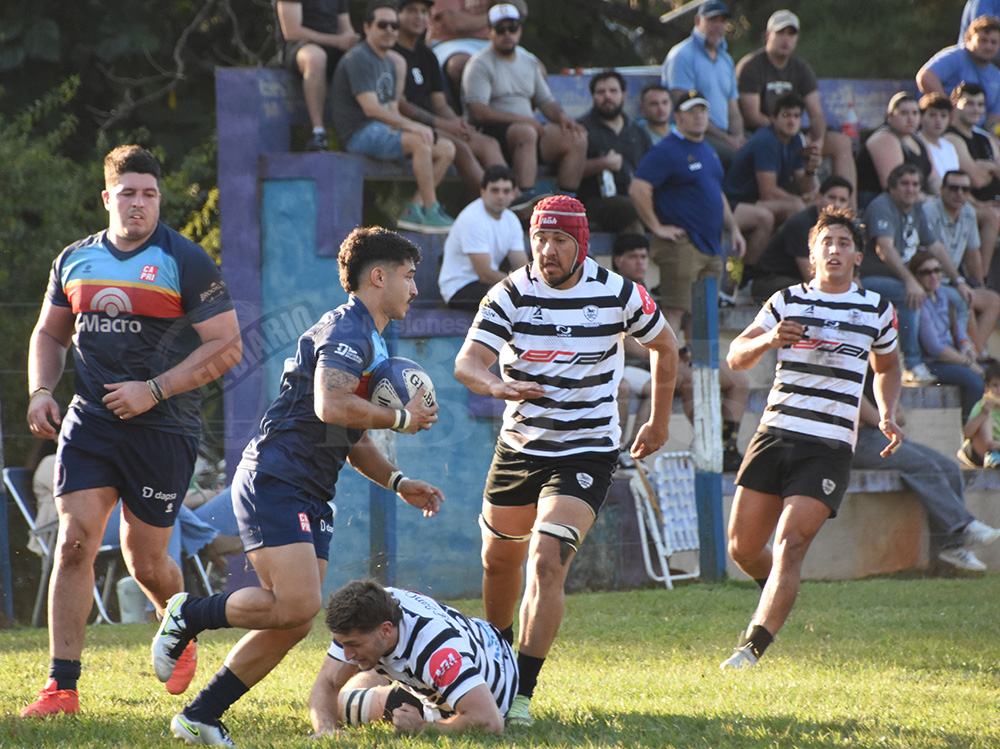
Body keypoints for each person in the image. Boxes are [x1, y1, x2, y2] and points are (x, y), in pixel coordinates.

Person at [152, 227, 444, 746]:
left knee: (293, 620)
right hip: (277, 477)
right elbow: (330, 405)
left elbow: (350, 436)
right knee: (298, 604)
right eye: (409, 276)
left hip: (308, 488)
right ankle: (188, 612)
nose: (415, 288)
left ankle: (201, 716)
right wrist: (401, 418)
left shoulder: (371, 339)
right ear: (379, 277)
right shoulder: (349, 329)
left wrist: (399, 482)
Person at [21, 145, 241, 717]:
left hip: (163, 428)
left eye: (149, 194)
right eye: (128, 194)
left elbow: (228, 345)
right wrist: (41, 390)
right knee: (74, 543)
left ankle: (179, 625)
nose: (139, 204)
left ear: (159, 199)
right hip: (91, 422)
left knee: (144, 561)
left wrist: (155, 389)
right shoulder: (75, 260)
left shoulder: (186, 260)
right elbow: (49, 334)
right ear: (107, 198)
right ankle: (61, 687)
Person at [453, 195, 678, 724]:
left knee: (547, 560)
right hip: (520, 448)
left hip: (587, 450)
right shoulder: (510, 292)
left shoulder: (619, 292)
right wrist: (495, 384)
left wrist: (659, 421)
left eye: (559, 240)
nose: (547, 251)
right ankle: (499, 658)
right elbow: (468, 362)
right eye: (539, 238)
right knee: (498, 560)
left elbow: (666, 347)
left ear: (582, 244)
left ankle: (522, 694)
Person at [722, 207, 903, 669]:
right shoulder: (786, 301)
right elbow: (736, 356)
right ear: (812, 252)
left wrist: (886, 412)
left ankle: (752, 648)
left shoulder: (877, 309)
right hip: (776, 433)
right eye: (827, 242)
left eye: (844, 243)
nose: (835, 250)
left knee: (790, 543)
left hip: (828, 446)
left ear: (858, 256)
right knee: (742, 548)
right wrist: (768, 341)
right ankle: (780, 591)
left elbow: (887, 366)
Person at [611, 234, 748, 472]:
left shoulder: (651, 291)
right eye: (633, 257)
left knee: (736, 379)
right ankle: (631, 450)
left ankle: (724, 445)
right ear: (617, 260)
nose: (640, 262)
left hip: (656, 363)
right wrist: (667, 354)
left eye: (643, 256)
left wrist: (683, 352)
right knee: (670, 383)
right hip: (624, 365)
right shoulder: (612, 292)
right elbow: (625, 343)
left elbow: (676, 330)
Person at [308, 579, 517, 736]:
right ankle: (379, 676)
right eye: (342, 644)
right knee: (335, 701)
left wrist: (421, 728)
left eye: (354, 645)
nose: (347, 655)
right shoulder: (374, 609)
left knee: (347, 705)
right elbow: (326, 682)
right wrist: (326, 730)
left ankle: (382, 683)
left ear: (386, 629)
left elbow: (489, 721)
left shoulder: (435, 651)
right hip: (472, 643)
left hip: (492, 681)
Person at [330, 1, 456, 233]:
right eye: (382, 25)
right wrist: (414, 127)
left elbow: (392, 109)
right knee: (419, 141)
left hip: (382, 130)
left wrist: (407, 127)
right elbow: (371, 109)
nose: (389, 30)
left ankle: (413, 209)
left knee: (446, 148)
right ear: (367, 27)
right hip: (358, 133)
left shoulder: (390, 61)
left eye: (394, 26)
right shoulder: (358, 58)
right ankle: (431, 209)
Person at [630, 90, 747, 339]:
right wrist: (656, 227)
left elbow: (715, 193)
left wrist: (734, 228)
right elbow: (638, 188)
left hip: (712, 245)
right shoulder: (666, 150)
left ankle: (699, 366)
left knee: (704, 316)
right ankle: (666, 364)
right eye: (691, 111)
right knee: (674, 310)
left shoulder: (709, 150)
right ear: (677, 116)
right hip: (682, 244)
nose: (698, 116)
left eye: (703, 110)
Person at [854, 390, 1000, 571]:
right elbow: (870, 413)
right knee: (923, 467)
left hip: (885, 435)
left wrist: (880, 419)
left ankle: (952, 547)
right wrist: (883, 418)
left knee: (949, 469)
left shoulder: (883, 378)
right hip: (856, 440)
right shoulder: (852, 376)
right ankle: (963, 526)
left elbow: (899, 417)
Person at [462, 3, 587, 209]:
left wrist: (563, 118)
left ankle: (566, 204)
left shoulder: (528, 61)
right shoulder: (479, 64)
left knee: (576, 137)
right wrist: (525, 120)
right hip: (496, 132)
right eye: (500, 29)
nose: (507, 34)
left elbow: (546, 102)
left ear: (520, 30)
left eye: (512, 28)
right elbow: (478, 111)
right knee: (525, 131)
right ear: (489, 32)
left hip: (529, 130)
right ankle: (524, 203)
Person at [859, 163, 973, 386]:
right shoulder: (882, 205)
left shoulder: (916, 209)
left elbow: (935, 247)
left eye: (915, 184)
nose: (910, 189)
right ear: (892, 187)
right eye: (904, 184)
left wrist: (959, 280)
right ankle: (912, 364)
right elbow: (884, 248)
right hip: (869, 279)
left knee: (957, 298)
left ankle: (961, 350)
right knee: (908, 294)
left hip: (899, 278)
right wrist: (910, 281)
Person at [393, 0, 507, 193]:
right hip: (406, 127)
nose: (419, 17)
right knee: (460, 148)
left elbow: (440, 104)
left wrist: (457, 124)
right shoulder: (392, 53)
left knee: (488, 144)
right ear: (398, 15)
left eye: (424, 12)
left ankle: (514, 199)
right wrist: (445, 125)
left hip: (435, 125)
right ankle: (498, 202)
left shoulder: (427, 55)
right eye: (411, 11)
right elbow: (401, 106)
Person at [735, 9, 857, 189]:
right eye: (780, 33)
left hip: (793, 135)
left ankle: (846, 204)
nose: (786, 39)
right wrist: (792, 134)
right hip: (763, 137)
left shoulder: (801, 68)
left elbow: (816, 113)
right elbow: (752, 116)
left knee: (841, 143)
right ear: (768, 35)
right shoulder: (751, 66)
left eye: (791, 34)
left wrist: (817, 142)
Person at [723, 92, 821, 266]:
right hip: (736, 202)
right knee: (781, 212)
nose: (792, 121)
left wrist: (810, 171)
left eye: (796, 116)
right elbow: (768, 192)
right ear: (773, 118)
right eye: (786, 115)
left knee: (808, 207)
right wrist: (800, 201)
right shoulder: (766, 140)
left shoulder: (796, 140)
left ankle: (784, 262)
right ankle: (751, 271)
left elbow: (803, 187)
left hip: (757, 201)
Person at [923, 168, 1000, 353]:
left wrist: (979, 285)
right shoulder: (929, 211)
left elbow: (973, 255)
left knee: (993, 300)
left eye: (965, 189)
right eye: (953, 188)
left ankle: (976, 354)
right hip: (930, 280)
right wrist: (960, 283)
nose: (959, 193)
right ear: (942, 189)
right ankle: (972, 356)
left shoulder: (968, 212)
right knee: (965, 298)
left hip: (955, 281)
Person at [662, 0, 745, 169]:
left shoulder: (726, 60)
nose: (718, 26)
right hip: (694, 133)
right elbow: (683, 108)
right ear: (698, 21)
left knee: (759, 148)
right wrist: (728, 140)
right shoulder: (682, 55)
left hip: (724, 134)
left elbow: (733, 109)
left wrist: (738, 138)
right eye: (712, 20)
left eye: (722, 21)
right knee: (731, 157)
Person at [747, 175, 853, 302]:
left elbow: (850, 269)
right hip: (770, 281)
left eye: (842, 200)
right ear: (819, 197)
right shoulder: (801, 223)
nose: (836, 204)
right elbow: (810, 274)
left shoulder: (845, 229)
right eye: (831, 198)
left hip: (800, 279)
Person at [438, 165, 527, 310]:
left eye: (506, 191)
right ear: (483, 192)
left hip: (487, 284)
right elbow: (485, 274)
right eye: (495, 190)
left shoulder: (512, 220)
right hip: (458, 288)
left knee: (520, 297)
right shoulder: (472, 218)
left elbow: (521, 266)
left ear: (513, 195)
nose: (500, 196)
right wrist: (519, 286)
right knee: (506, 296)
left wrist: (530, 285)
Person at [274, 0, 360, 151]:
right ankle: (319, 132)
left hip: (333, 47)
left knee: (363, 59)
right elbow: (292, 32)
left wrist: (354, 42)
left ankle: (362, 131)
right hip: (300, 47)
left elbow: (345, 28)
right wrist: (337, 41)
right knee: (316, 58)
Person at [910, 250, 984, 422]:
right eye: (926, 272)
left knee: (993, 373)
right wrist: (968, 363)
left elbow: (959, 334)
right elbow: (935, 348)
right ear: (916, 277)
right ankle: (969, 430)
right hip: (933, 363)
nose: (933, 276)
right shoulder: (920, 303)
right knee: (974, 380)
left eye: (937, 270)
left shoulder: (943, 296)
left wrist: (967, 347)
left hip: (954, 358)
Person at [576, 69, 652, 234]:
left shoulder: (638, 132)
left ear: (624, 95)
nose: (607, 96)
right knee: (631, 208)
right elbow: (567, 172)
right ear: (593, 97)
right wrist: (601, 164)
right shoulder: (580, 130)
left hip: (636, 195)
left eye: (613, 91)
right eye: (601, 92)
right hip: (595, 202)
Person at [943, 82, 1000, 287]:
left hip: (994, 202)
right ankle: (980, 282)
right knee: (993, 216)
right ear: (955, 104)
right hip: (971, 203)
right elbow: (975, 179)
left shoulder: (985, 138)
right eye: (969, 103)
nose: (976, 109)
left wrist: (985, 166)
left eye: (980, 104)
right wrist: (991, 168)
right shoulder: (951, 137)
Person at [917, 14, 1000, 132]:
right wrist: (947, 111)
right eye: (983, 40)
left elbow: (992, 120)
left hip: (974, 134)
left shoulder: (996, 76)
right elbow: (925, 77)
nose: (988, 46)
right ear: (969, 39)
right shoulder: (956, 57)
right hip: (943, 130)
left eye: (994, 42)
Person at [856, 92, 936, 209]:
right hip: (882, 206)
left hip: (915, 202)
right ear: (890, 115)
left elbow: (933, 178)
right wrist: (930, 201)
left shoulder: (919, 140)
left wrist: (942, 197)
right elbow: (896, 187)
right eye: (904, 113)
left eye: (915, 113)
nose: (910, 119)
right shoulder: (884, 138)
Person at [960, 360, 1000, 467]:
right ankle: (991, 455)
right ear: (987, 388)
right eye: (995, 385)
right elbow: (966, 434)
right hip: (982, 450)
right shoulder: (981, 405)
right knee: (987, 416)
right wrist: (983, 413)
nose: (999, 390)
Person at [918, 93, 961, 187]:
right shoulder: (917, 144)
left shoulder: (949, 147)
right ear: (921, 117)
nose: (938, 120)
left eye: (943, 116)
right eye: (932, 115)